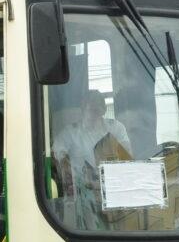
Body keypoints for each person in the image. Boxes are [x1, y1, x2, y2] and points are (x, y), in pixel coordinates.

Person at [51, 90, 132, 229]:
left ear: (104, 110)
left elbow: (127, 157)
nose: (93, 113)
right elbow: (56, 152)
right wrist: (66, 166)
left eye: (97, 109)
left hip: (113, 190)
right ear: (82, 109)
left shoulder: (116, 128)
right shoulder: (71, 132)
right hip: (83, 195)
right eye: (90, 108)